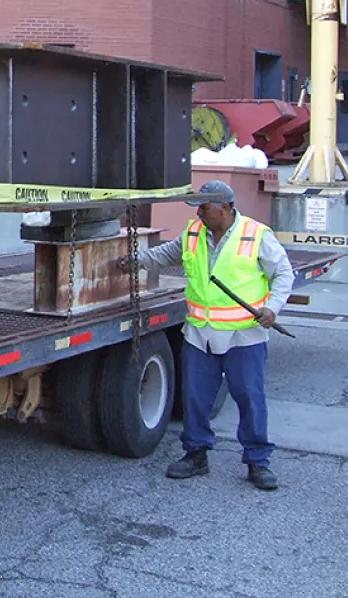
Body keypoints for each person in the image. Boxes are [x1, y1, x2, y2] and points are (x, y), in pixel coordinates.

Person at [115, 180, 292, 491]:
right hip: (201, 333)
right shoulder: (194, 233)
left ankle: (257, 461)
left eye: (204, 207)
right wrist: (132, 262)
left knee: (250, 398)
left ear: (224, 207)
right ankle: (196, 454)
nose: (198, 213)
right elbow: (166, 254)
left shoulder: (255, 235)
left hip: (243, 336)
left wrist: (273, 308)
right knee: (195, 398)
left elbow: (283, 274)